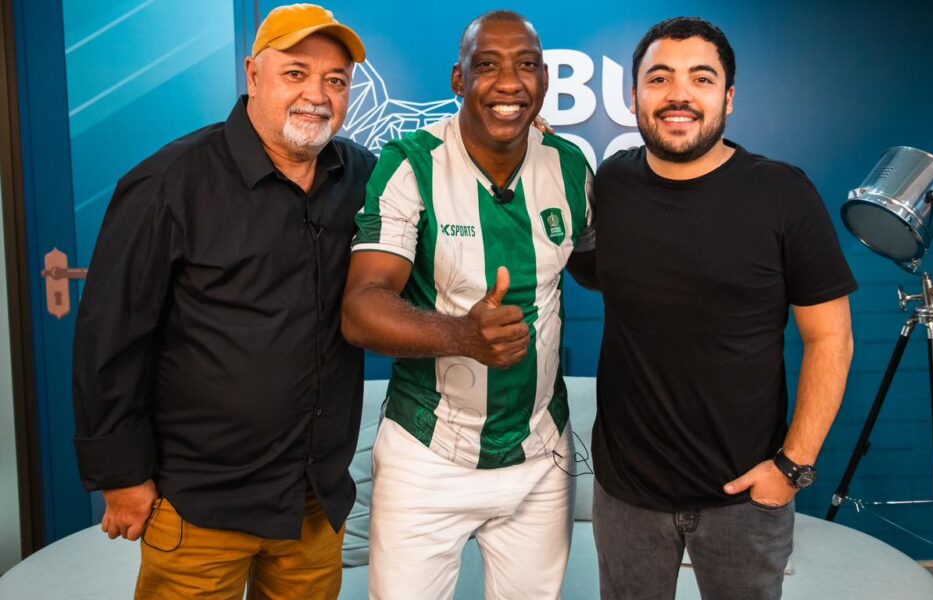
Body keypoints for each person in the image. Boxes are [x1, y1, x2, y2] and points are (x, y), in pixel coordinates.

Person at [72, 5, 375, 598]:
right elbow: (109, 337)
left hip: (314, 504)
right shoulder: (170, 182)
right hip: (200, 504)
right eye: (295, 73)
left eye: (335, 80)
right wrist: (121, 476)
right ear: (253, 75)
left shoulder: (363, 176)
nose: (317, 95)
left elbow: (442, 186)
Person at [585, 17, 856, 600]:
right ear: (634, 96)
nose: (679, 94)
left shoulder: (783, 194)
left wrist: (791, 469)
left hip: (744, 498)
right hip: (626, 495)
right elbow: (601, 272)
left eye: (701, 79)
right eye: (660, 78)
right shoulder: (611, 184)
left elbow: (831, 339)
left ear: (728, 98)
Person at [341, 10, 594, 599]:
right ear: (459, 80)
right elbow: (360, 307)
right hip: (428, 454)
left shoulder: (570, 165)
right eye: (487, 65)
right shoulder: (410, 163)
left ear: (545, 80)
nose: (510, 82)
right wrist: (464, 337)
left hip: (541, 455)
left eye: (526, 65)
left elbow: (594, 265)